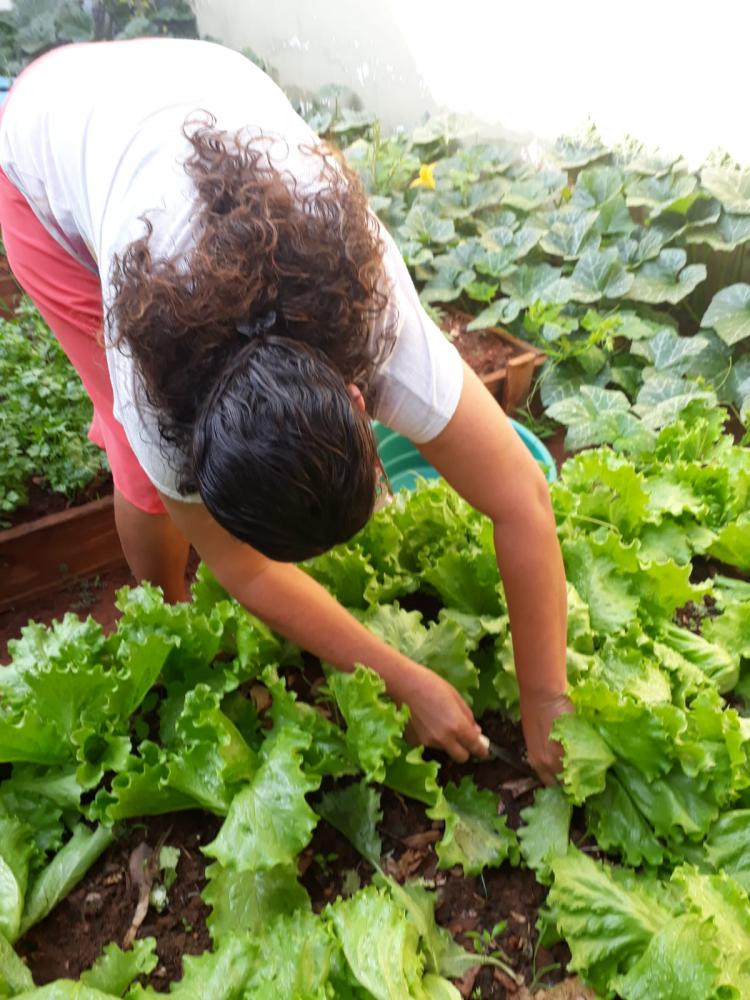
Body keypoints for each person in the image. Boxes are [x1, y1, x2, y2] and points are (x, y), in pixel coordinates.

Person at [0, 38, 570, 782]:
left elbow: (522, 498)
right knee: (138, 474)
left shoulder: (382, 325)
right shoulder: (159, 405)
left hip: (192, 85)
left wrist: (545, 702)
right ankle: (170, 619)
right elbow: (244, 568)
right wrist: (403, 679)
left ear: (358, 398)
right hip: (45, 148)